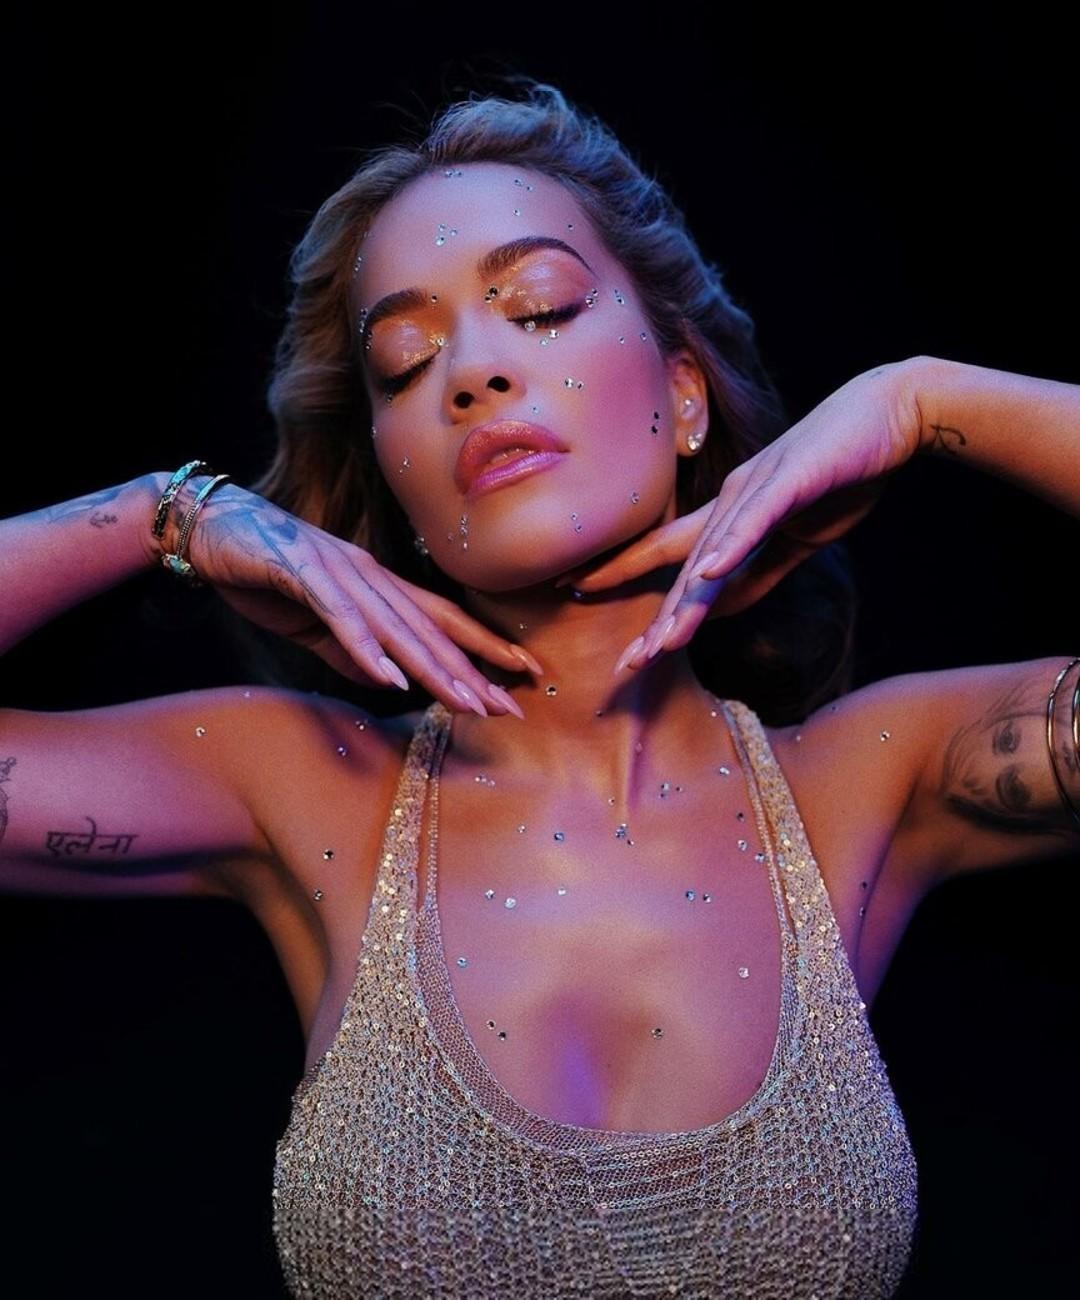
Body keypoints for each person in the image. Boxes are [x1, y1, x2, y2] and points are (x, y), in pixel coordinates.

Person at [1, 78, 1077, 1300]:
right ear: (396, 485)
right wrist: (166, 514)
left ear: (683, 393)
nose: (471, 371)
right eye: (406, 362)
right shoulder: (307, 791)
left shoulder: (868, 783)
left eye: (541, 306)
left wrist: (930, 400)